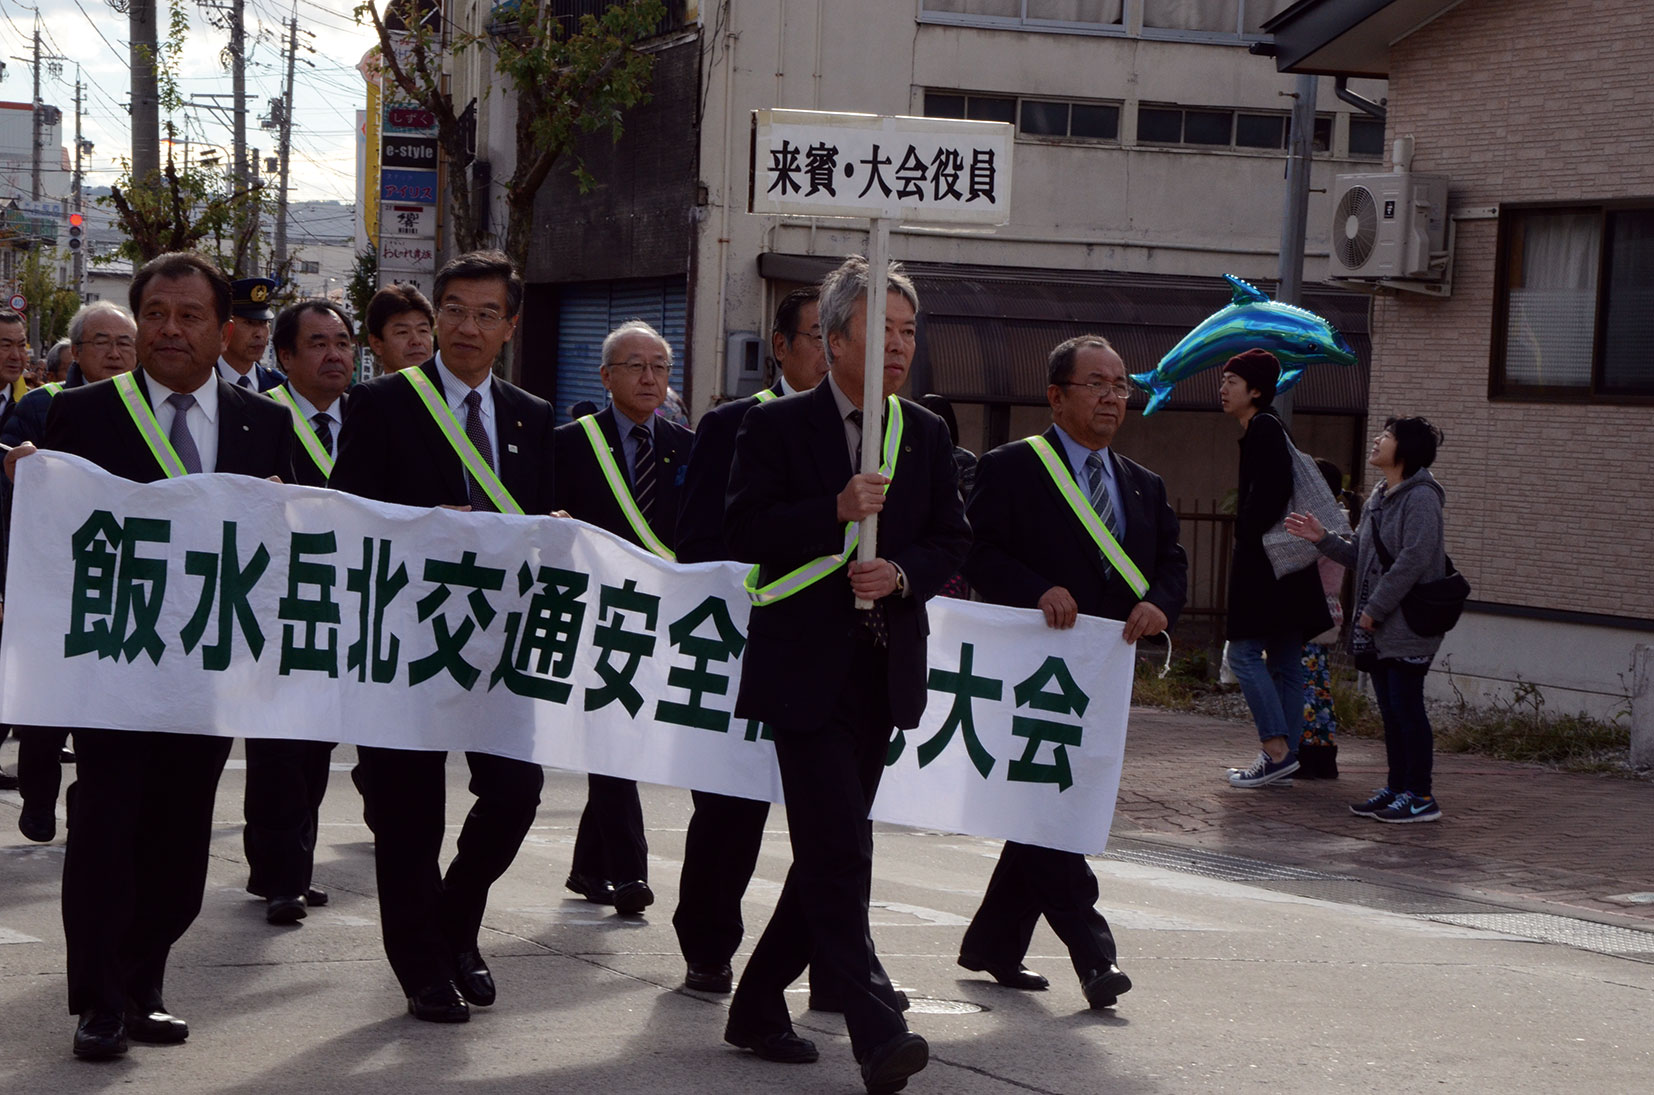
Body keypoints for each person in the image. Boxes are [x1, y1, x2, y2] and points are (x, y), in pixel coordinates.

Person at [4, 252, 296, 1061]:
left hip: (206, 671)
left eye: (190, 315)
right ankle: (100, 1000)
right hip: (111, 664)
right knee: (104, 827)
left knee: (177, 841)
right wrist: (33, 488)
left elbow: (285, 548)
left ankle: (144, 982)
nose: (171, 329)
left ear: (223, 328)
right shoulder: (87, 411)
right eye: (156, 314)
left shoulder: (262, 422)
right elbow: (58, 538)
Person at [721, 256, 969, 1094]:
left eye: (908, 331)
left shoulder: (925, 433)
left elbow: (949, 540)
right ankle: (875, 1025)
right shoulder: (778, 428)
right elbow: (745, 526)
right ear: (833, 342)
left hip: (882, 669)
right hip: (802, 670)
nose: (899, 348)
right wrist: (831, 512)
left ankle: (756, 1003)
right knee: (841, 845)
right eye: (882, 331)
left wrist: (900, 574)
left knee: (829, 850)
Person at [330, 250, 555, 1023]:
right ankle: (422, 967)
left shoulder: (533, 415)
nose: (466, 326)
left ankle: (456, 922)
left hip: (501, 644)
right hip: (405, 640)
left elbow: (542, 522)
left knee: (517, 792)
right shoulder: (384, 403)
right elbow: (347, 519)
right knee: (407, 810)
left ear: (510, 326)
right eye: (452, 310)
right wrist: (426, 528)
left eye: (486, 313)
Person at [956, 334, 1186, 1010]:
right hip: (1030, 674)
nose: (1114, 396)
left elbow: (1172, 562)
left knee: (1047, 805)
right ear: (1057, 396)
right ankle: (1095, 954)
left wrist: (1159, 604)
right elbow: (974, 550)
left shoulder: (1144, 484)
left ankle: (994, 943)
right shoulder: (1013, 467)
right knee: (1047, 807)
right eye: (1097, 384)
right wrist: (1035, 589)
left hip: (1101, 677)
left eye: (1120, 385)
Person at [672, 286, 825, 995]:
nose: (833, 350)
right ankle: (708, 944)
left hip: (838, 654)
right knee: (731, 810)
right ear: (782, 348)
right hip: (746, 640)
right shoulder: (734, 425)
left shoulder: (885, 428)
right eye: (820, 335)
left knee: (833, 823)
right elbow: (701, 539)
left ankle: (833, 959)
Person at [551, 319, 693, 918]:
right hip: (593, 614)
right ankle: (631, 873)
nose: (649, 377)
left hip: (659, 615)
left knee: (622, 737)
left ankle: (588, 868)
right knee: (615, 741)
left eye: (660, 366)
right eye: (635, 366)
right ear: (606, 377)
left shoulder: (686, 447)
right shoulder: (569, 444)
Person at [4, 301, 139, 842]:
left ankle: (89, 799)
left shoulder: (152, 409)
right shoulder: (43, 405)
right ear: (76, 351)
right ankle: (39, 798)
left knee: (106, 706)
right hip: (56, 577)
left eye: (124, 343)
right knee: (49, 702)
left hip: (125, 579)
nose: (114, 352)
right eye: (101, 342)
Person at [241, 300, 354, 924]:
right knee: (279, 746)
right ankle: (282, 873)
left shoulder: (371, 417)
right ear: (285, 357)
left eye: (342, 341)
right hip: (275, 605)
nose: (334, 354)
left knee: (315, 748)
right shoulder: (259, 419)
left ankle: (283, 862)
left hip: (345, 607)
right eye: (317, 343)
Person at [1286, 417, 1449, 823]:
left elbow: (1414, 559)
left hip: (1408, 622)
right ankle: (1398, 788)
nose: (1377, 439)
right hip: (1382, 625)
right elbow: (1361, 552)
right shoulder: (1381, 492)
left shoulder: (1422, 496)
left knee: (1407, 707)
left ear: (1405, 449)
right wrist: (1322, 538)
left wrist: (1374, 609)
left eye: (1388, 436)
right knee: (1392, 710)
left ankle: (1421, 795)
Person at [1218, 348, 1331, 789]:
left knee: (1243, 654)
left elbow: (1270, 492)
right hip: (1289, 567)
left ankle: (1276, 750)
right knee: (1285, 659)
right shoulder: (1267, 428)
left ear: (1257, 390)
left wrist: (1245, 531)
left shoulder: (1263, 427)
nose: (1223, 387)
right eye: (1224, 379)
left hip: (1267, 565)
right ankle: (1286, 761)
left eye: (1232, 380)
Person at [1296, 458, 1355, 780]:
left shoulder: (1320, 524)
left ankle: (1307, 754)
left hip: (1312, 611)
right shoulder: (1340, 520)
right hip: (1328, 611)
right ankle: (1321, 754)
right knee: (1317, 686)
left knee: (1305, 685)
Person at [216, 277, 285, 391]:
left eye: (264, 323)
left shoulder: (278, 386)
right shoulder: (201, 380)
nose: (259, 334)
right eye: (249, 323)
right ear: (226, 328)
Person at [364, 282, 435, 374]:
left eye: (423, 330)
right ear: (376, 344)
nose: (416, 341)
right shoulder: (370, 388)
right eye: (403, 332)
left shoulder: (450, 387)